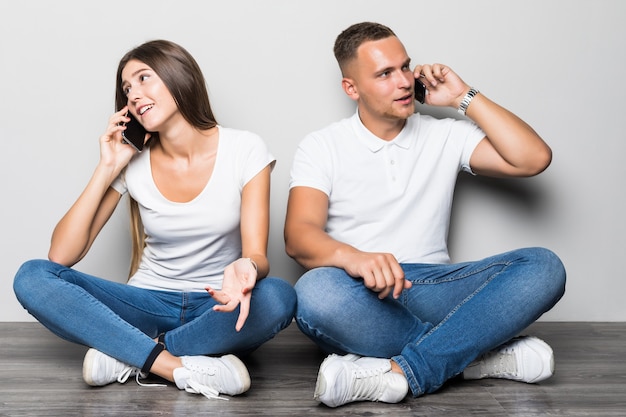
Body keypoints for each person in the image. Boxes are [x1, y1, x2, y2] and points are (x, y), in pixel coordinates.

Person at [284, 22, 566, 408]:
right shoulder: (322, 145)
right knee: (314, 292)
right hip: (364, 295)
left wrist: (463, 96)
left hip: (436, 289)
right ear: (352, 88)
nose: (403, 82)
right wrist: (357, 259)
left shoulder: (445, 134)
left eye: (405, 67)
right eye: (384, 73)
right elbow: (299, 235)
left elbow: (534, 158)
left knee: (544, 266)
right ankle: (476, 357)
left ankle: (403, 373)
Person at [13, 40, 296, 400]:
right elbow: (61, 255)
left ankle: (129, 353)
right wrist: (108, 167)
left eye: (144, 78)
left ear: (179, 76)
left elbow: (257, 253)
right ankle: (173, 366)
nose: (133, 94)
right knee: (32, 275)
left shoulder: (245, 148)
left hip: (214, 306)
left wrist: (248, 266)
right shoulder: (132, 162)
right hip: (143, 304)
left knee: (278, 296)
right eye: (127, 88)